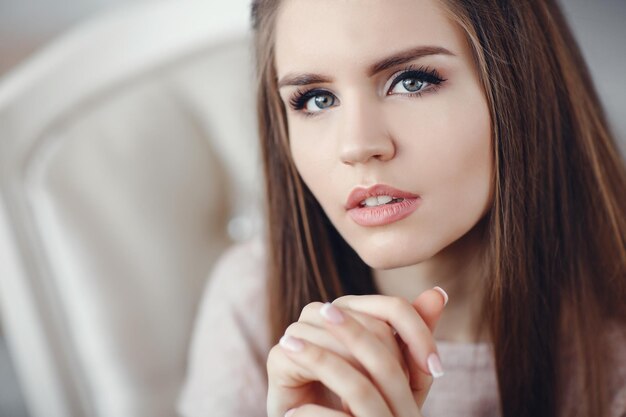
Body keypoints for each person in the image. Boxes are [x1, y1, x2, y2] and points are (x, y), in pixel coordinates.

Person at [178, 0, 626, 416]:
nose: (357, 146)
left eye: (411, 82)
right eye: (316, 99)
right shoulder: (253, 300)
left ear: (525, 86)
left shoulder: (611, 344)